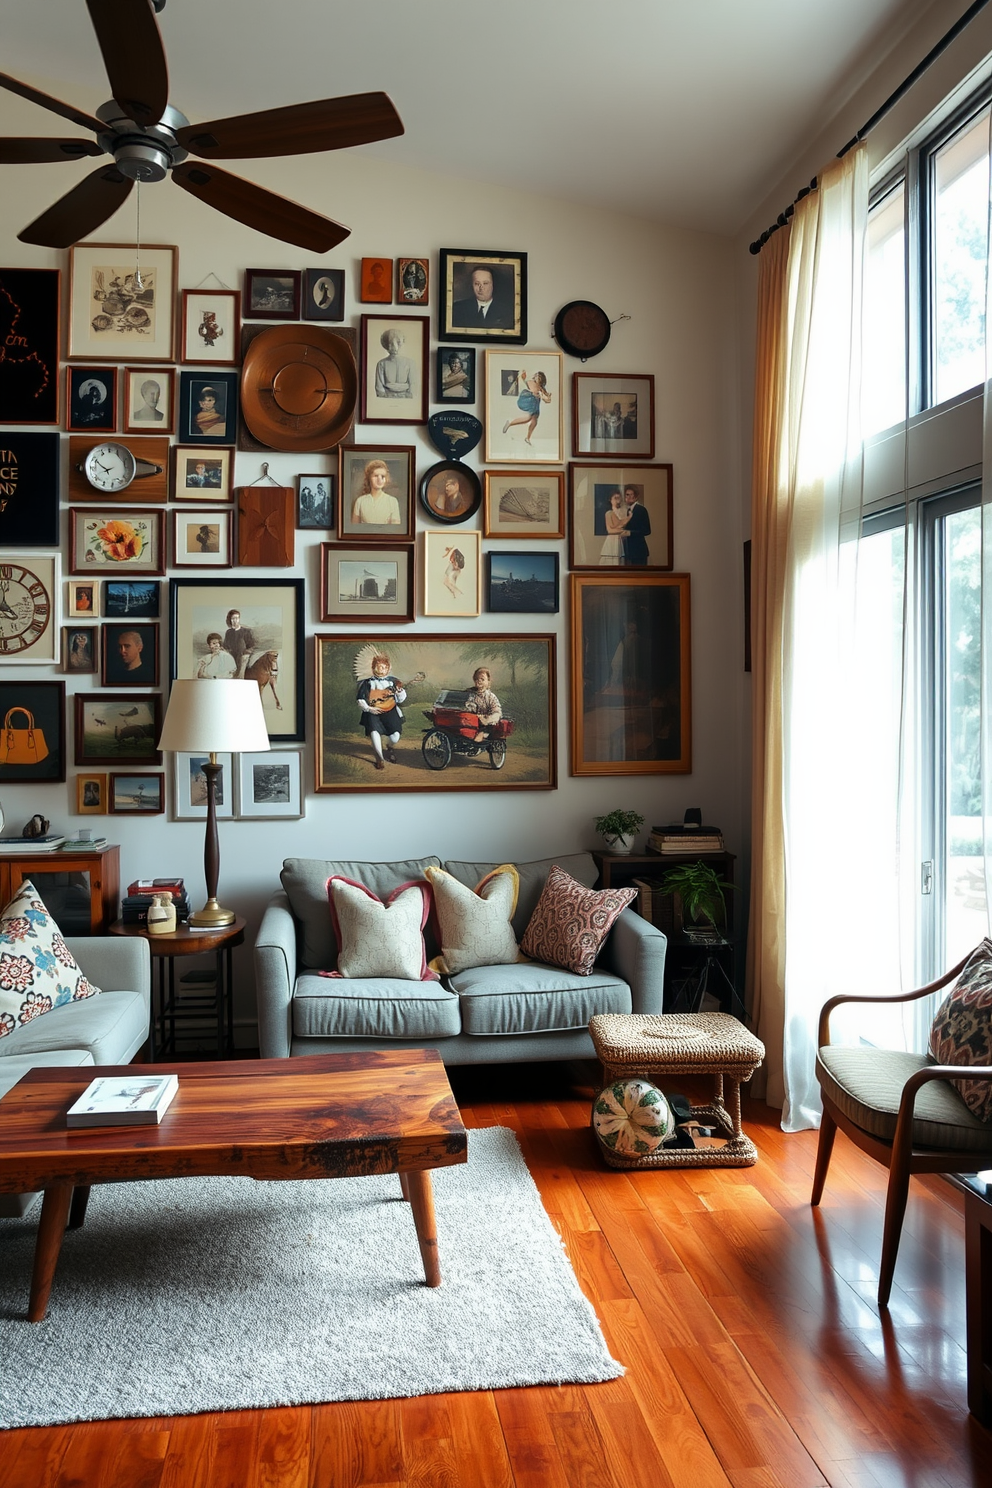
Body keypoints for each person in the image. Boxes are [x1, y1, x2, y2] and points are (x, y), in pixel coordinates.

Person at [356, 651, 406, 771]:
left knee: (395, 736)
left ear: (388, 668)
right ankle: (379, 759)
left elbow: (401, 699)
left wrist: (399, 692)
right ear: (373, 668)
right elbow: (360, 699)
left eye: (384, 667)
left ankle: (389, 746)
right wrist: (369, 709)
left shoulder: (394, 682)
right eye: (379, 667)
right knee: (374, 732)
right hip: (373, 712)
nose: (381, 670)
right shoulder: (367, 683)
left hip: (390, 712)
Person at [451, 265, 514, 329]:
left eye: (485, 283)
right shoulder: (458, 309)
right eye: (477, 283)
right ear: (472, 285)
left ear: (493, 285)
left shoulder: (507, 312)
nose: (481, 288)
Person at [502, 368, 551, 444]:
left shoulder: (541, 388)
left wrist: (546, 396)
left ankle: (527, 438)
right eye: (537, 376)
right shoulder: (531, 383)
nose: (538, 378)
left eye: (539, 377)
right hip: (529, 401)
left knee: (534, 421)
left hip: (535, 406)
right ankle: (510, 423)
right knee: (529, 418)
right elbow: (532, 389)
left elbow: (547, 399)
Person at [352, 459, 401, 526]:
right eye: (376, 476)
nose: (379, 480)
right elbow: (354, 529)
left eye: (382, 476)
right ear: (369, 478)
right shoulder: (360, 501)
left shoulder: (392, 501)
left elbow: (395, 529)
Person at [466, 666, 502, 744]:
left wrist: (487, 719)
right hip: (470, 722)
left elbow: (497, 712)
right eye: (476, 679)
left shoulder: (490, 697)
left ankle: (480, 736)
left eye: (482, 679)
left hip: (485, 725)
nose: (479, 681)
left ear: (488, 681)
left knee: (485, 731)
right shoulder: (468, 694)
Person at [374, 328, 414, 398]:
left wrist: (408, 398)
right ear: (386, 345)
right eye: (390, 343)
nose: (394, 347)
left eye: (397, 343)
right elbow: (379, 387)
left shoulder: (409, 363)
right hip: (387, 397)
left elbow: (413, 385)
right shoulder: (382, 364)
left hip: (405, 398)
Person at [599, 489, 631, 566]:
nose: (617, 500)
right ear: (610, 500)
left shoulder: (624, 512)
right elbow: (610, 530)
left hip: (620, 541)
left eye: (619, 498)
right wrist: (622, 530)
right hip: (612, 542)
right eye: (615, 498)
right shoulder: (609, 513)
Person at [623, 485, 651, 565]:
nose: (629, 497)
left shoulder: (641, 510)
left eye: (631, 494)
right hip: (628, 551)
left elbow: (647, 530)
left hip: (639, 551)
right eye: (627, 495)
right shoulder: (626, 510)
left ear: (636, 496)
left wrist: (630, 533)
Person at [223, 609, 256, 678]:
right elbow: (225, 646)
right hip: (231, 657)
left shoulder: (246, 631)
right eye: (233, 618)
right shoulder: (228, 632)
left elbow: (252, 646)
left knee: (243, 661)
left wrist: (247, 652)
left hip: (242, 657)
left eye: (237, 618)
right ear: (230, 620)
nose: (235, 621)